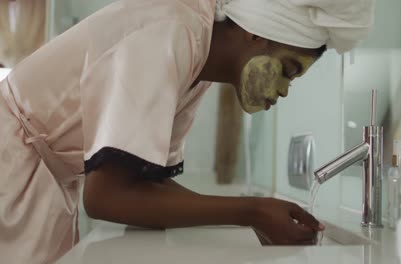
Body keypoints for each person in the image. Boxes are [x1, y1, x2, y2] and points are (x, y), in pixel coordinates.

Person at [0, 0, 375, 263]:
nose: (282, 90)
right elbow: (106, 197)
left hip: (41, 176)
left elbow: (147, 182)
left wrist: (255, 214)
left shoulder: (197, 61)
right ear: (257, 35)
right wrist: (250, 211)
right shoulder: (172, 30)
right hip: (11, 163)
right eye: (289, 69)